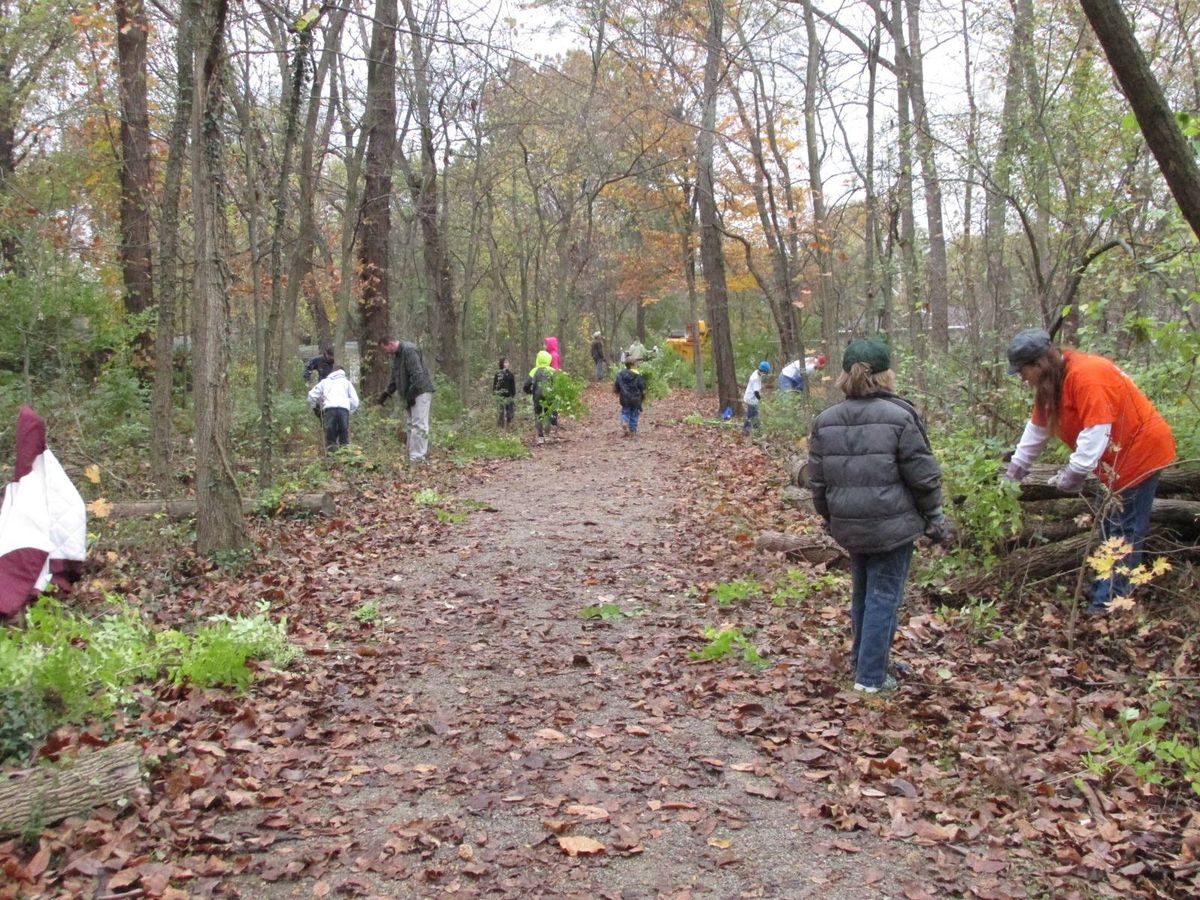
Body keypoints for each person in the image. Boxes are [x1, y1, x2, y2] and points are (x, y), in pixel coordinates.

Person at [1001, 328, 1176, 615]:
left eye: (1022, 371)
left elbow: (1097, 430)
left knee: (1123, 530)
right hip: (1113, 463)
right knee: (1111, 524)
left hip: (1138, 455)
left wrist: (1075, 472)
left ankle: (1108, 605)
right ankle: (1108, 591)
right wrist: (1017, 468)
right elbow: (1038, 428)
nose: (1022, 378)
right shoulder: (1052, 383)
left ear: (1038, 364)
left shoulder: (1086, 375)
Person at [808, 339, 948, 694]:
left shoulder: (825, 420)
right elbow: (922, 473)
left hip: (849, 525)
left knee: (864, 593)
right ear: (886, 375)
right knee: (884, 596)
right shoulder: (901, 417)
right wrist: (934, 515)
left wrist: (831, 518)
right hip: (892, 526)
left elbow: (818, 482)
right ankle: (871, 678)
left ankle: (866, 658)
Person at [377, 337, 436, 463]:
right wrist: (386, 393)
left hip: (420, 392)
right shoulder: (397, 355)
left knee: (419, 424)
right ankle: (411, 455)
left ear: (391, 344)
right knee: (411, 424)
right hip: (410, 394)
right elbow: (395, 378)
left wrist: (411, 394)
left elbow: (418, 375)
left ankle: (418, 457)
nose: (386, 352)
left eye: (385, 349)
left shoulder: (409, 350)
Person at [308, 365, 360, 452]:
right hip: (343, 410)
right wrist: (349, 410)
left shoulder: (325, 382)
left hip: (329, 410)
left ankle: (332, 461)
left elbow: (311, 396)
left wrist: (315, 408)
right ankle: (345, 459)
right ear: (343, 373)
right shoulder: (346, 383)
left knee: (330, 438)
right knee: (344, 439)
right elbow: (355, 401)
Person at [524, 350, 556, 444]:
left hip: (537, 396)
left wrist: (529, 391)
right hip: (549, 396)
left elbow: (526, 385)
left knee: (538, 415)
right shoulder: (552, 371)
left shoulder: (534, 371)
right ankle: (547, 434)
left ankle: (540, 437)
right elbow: (557, 384)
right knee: (548, 414)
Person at [613, 348, 647, 436]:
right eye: (636, 364)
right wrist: (644, 392)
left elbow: (617, 385)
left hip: (625, 397)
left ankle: (624, 421)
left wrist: (617, 391)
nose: (637, 365)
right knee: (634, 413)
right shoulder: (638, 375)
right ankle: (633, 430)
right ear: (632, 365)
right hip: (635, 398)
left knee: (625, 411)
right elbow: (641, 386)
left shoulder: (620, 374)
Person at [743, 360, 771, 435]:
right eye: (765, 373)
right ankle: (746, 430)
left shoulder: (757, 372)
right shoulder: (755, 378)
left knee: (755, 414)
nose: (765, 374)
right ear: (762, 371)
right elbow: (756, 392)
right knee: (751, 415)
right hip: (751, 399)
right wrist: (761, 400)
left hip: (752, 398)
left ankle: (757, 429)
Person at [492, 357, 516, 428]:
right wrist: (495, 394)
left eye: (508, 362)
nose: (507, 364)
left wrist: (512, 394)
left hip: (509, 396)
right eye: (505, 362)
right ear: (501, 364)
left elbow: (513, 386)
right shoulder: (498, 374)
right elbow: (495, 385)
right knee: (501, 413)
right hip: (500, 397)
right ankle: (500, 428)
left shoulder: (511, 375)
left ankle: (509, 427)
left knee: (510, 413)